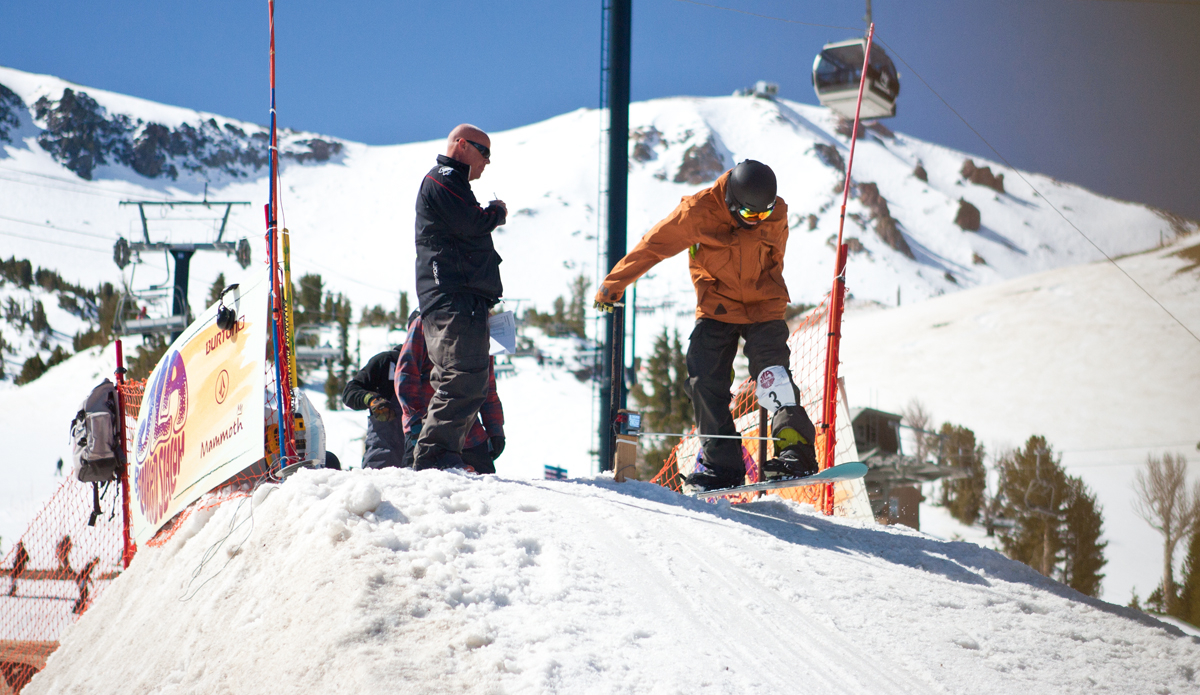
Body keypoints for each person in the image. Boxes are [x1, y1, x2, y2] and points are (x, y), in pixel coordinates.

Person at [594, 160, 819, 493]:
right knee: (703, 380)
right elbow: (653, 246)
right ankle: (722, 464)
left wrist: (768, 297)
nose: (757, 220)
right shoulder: (697, 212)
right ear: (730, 202)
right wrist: (614, 285)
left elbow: (775, 259)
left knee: (773, 374)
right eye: (749, 215)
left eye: (763, 214)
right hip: (717, 308)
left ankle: (795, 452)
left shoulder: (775, 211)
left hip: (762, 305)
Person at [412, 123, 507, 471]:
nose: (487, 162)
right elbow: (472, 223)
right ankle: (435, 457)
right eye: (484, 152)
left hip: (457, 298)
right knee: (462, 376)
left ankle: (447, 454)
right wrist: (496, 212)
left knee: (464, 377)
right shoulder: (443, 178)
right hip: (452, 297)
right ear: (462, 145)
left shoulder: (451, 181)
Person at [395, 312, 505, 473]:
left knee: (485, 493)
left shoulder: (480, 326)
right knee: (423, 493)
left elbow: (487, 386)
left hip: (470, 436)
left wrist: (495, 430)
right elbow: (405, 376)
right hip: (428, 434)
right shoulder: (426, 321)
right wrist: (416, 422)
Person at [341, 345, 406, 469]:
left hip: (424, 459)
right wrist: (370, 399)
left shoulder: (437, 364)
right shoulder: (386, 362)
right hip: (383, 457)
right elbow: (350, 392)